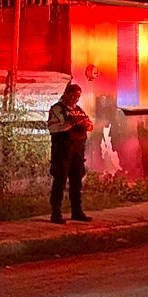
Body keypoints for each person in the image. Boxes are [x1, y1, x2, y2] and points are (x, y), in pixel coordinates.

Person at [47, 82, 93, 223]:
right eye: (73, 95)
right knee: (60, 181)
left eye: (78, 96)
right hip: (62, 150)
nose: (75, 99)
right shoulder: (57, 109)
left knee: (76, 181)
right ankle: (56, 213)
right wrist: (72, 124)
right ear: (66, 94)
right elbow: (52, 128)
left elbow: (90, 125)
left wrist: (86, 124)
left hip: (77, 151)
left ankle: (77, 212)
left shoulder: (78, 109)